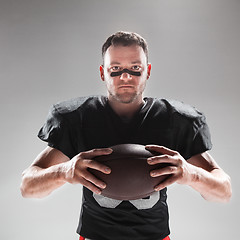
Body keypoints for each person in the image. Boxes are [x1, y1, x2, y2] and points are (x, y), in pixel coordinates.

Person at [21, 31, 232, 240]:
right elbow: (28, 187)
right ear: (103, 72)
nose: (125, 76)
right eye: (115, 69)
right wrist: (65, 171)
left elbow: (224, 191)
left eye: (135, 68)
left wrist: (191, 174)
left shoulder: (174, 119)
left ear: (147, 71)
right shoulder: (80, 118)